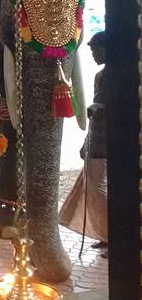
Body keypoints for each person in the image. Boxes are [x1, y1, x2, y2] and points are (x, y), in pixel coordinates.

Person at [59, 31, 108, 253]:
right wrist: (87, 143)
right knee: (94, 191)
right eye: (90, 49)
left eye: (95, 49)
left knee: (103, 191)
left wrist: (100, 109)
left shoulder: (117, 77)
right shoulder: (102, 75)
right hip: (97, 141)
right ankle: (106, 235)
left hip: (111, 143)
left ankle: (116, 236)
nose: (93, 54)